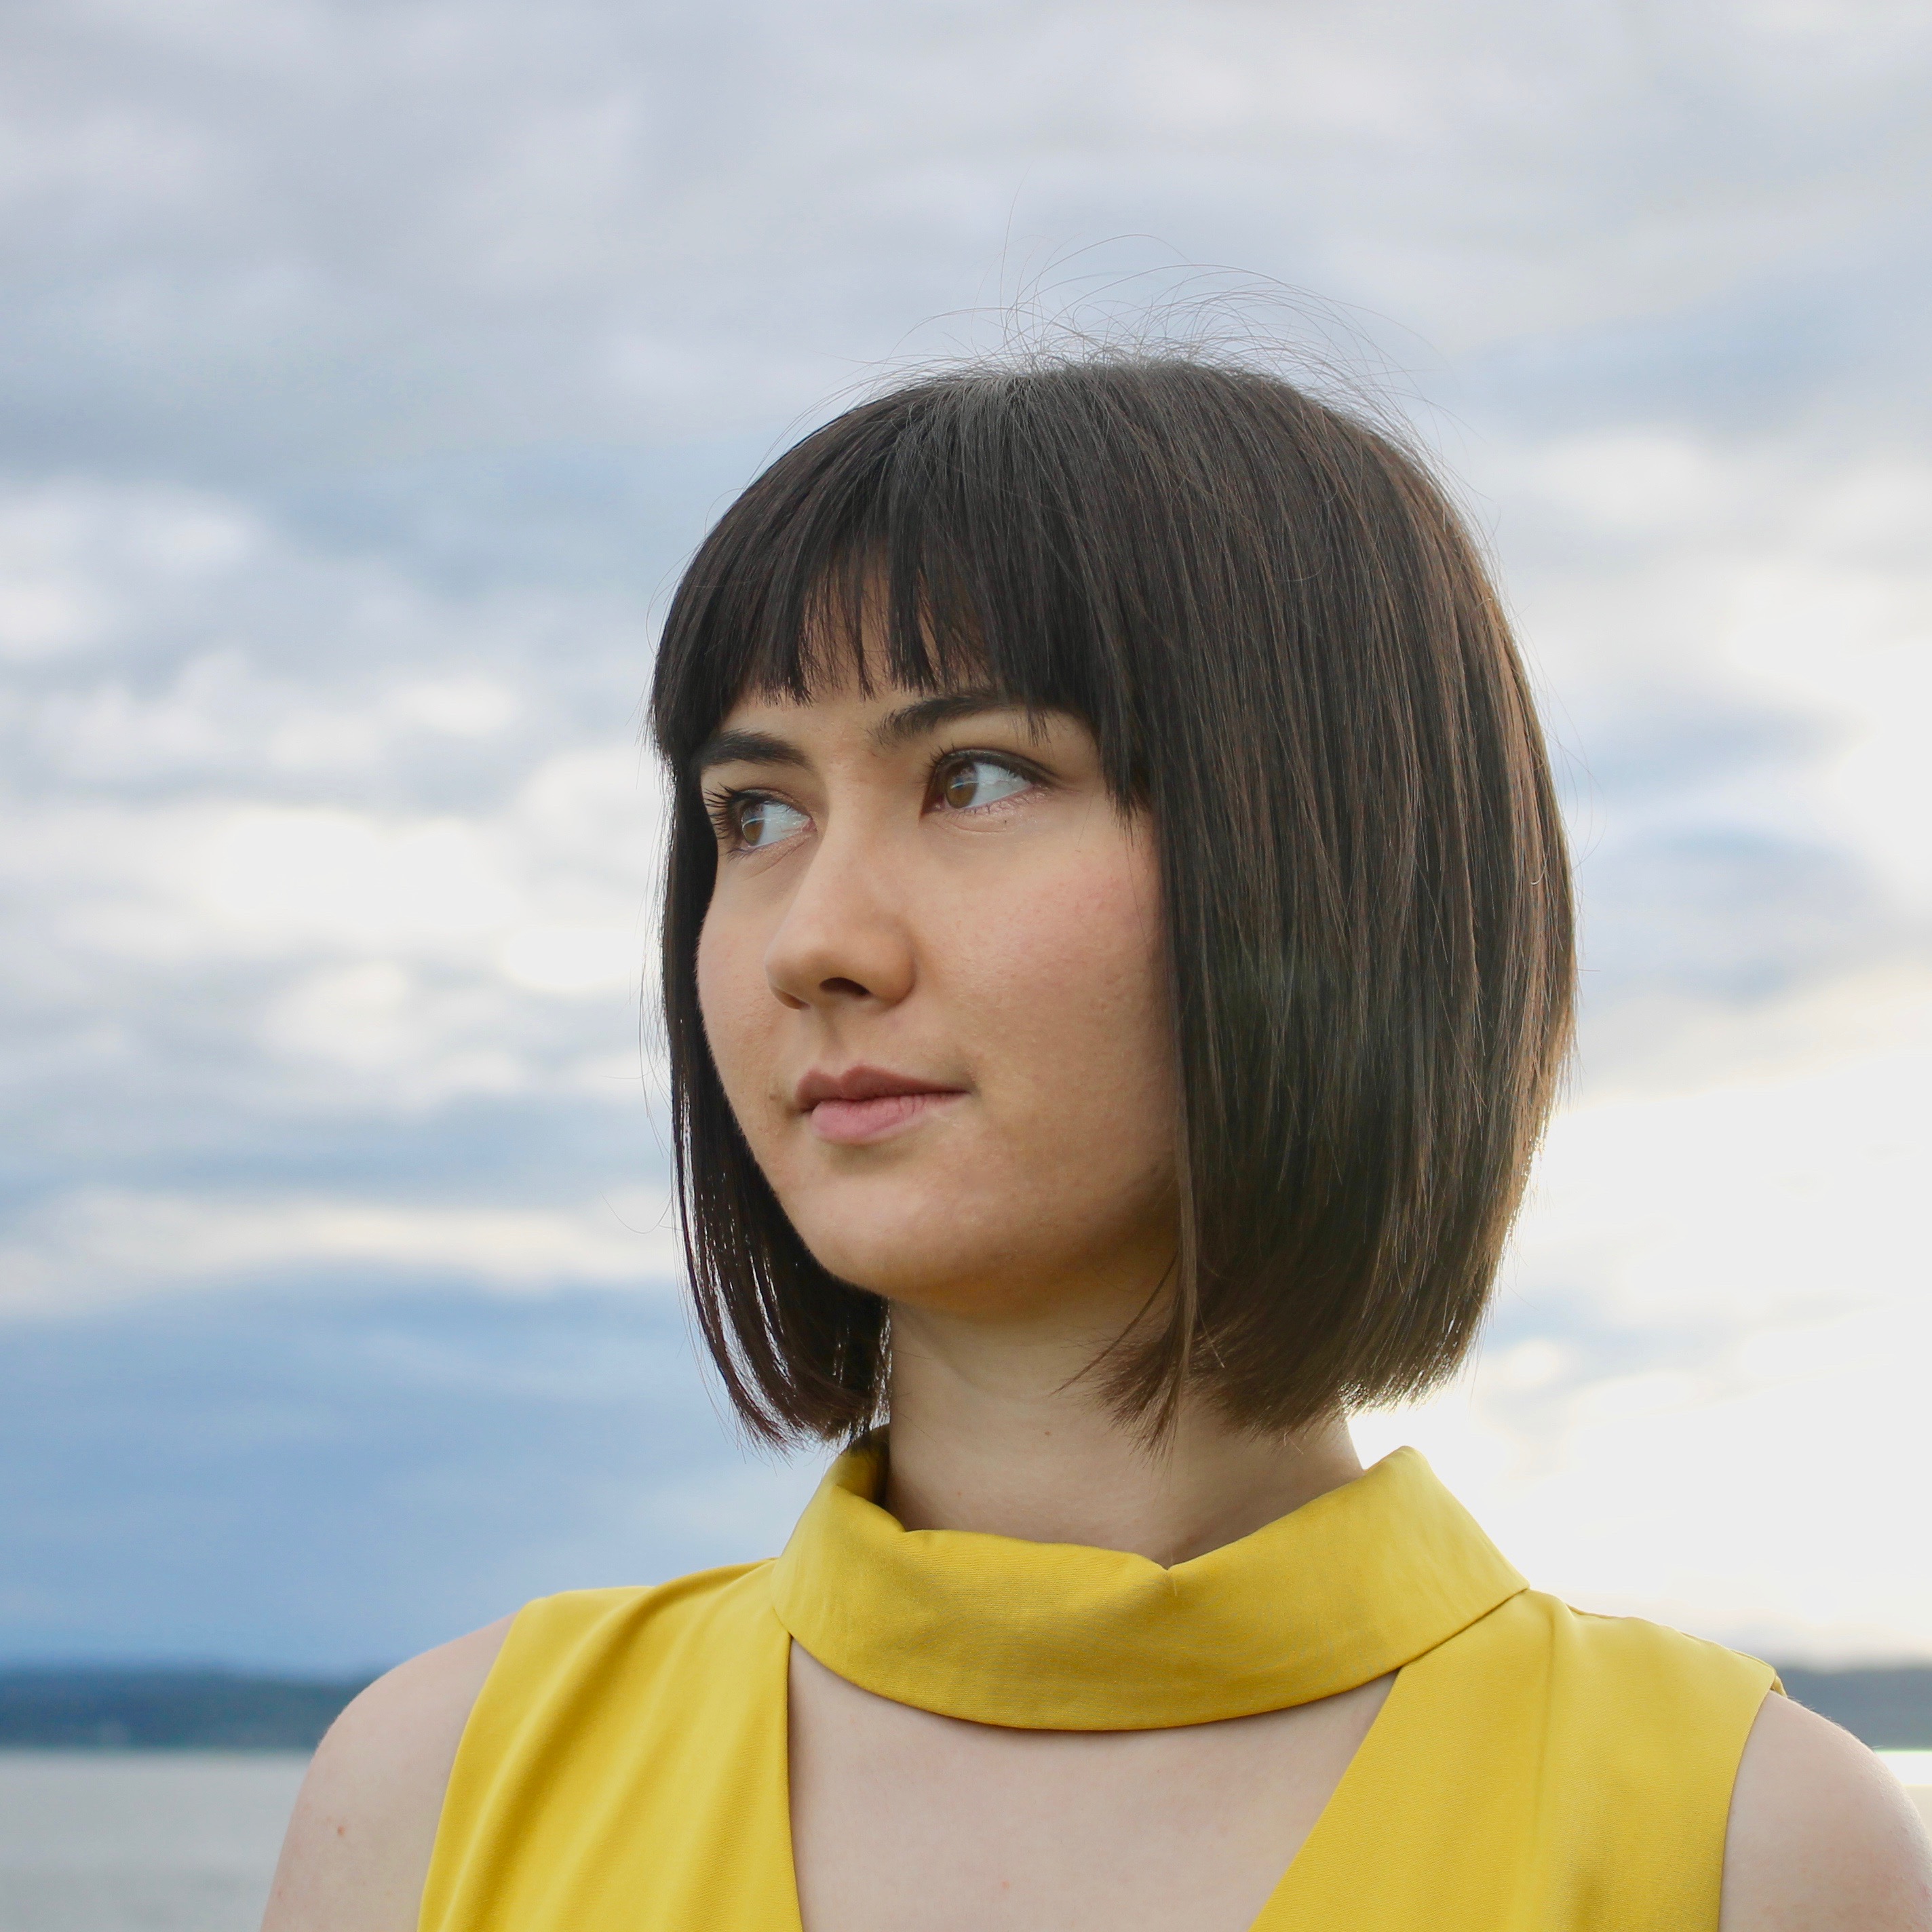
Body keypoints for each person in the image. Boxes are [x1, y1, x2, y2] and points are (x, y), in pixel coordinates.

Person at [263, 351, 1932, 1932]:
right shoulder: (436, 1794)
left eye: (976, 774)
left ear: (1329, 866)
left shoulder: (1737, 1847)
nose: (809, 939)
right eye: (753, 813)